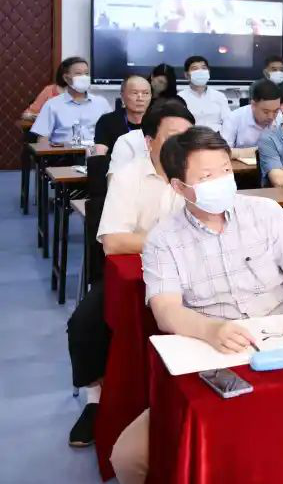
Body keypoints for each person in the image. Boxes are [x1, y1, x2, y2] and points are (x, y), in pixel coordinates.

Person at [109, 126, 283, 484]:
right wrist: (211, 330)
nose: (222, 181)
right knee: (128, 457)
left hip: (282, 345)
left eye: (226, 170)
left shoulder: (266, 212)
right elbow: (165, 310)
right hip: (214, 356)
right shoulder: (163, 239)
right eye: (207, 177)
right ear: (179, 187)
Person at [65, 101, 194, 448]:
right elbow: (114, 242)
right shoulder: (128, 176)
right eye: (173, 136)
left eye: (188, 136)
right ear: (149, 141)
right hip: (134, 270)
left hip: (191, 268)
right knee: (84, 324)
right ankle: (95, 402)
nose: (183, 145)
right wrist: (169, 242)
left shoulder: (199, 173)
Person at [29, 56, 111, 143]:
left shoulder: (101, 103)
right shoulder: (52, 105)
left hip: (96, 150)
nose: (84, 77)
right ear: (66, 78)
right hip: (64, 151)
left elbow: (112, 132)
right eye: (78, 73)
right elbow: (43, 139)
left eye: (86, 73)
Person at [220, 80, 281, 159]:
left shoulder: (281, 118)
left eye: (276, 111)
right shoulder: (234, 118)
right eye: (266, 112)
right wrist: (255, 152)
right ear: (253, 105)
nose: (271, 117)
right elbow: (222, 152)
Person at [93, 75, 151, 156]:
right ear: (122, 96)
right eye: (135, 93)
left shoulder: (158, 121)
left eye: (145, 93)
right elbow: (99, 156)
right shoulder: (107, 121)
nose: (140, 98)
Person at [177, 56, 230, 132]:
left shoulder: (219, 96)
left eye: (204, 68)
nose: (200, 71)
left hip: (216, 137)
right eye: (195, 69)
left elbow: (228, 122)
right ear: (186, 74)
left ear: (208, 72)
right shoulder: (180, 98)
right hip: (191, 137)